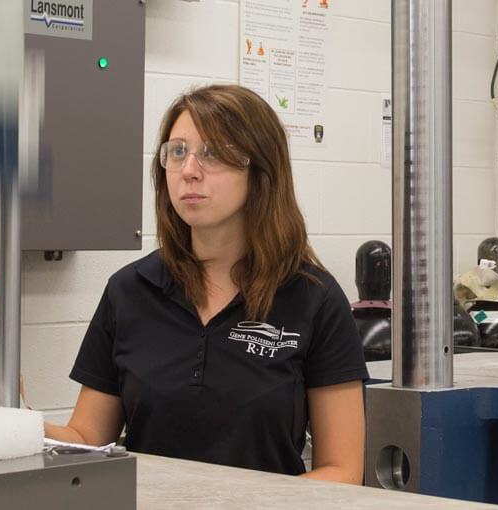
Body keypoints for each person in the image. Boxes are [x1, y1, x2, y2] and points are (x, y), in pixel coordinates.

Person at [44, 84, 366, 484]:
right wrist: (13, 424)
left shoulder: (313, 297)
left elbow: (343, 469)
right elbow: (87, 438)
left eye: (212, 153)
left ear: (260, 170)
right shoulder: (129, 291)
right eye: (177, 151)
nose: (189, 170)